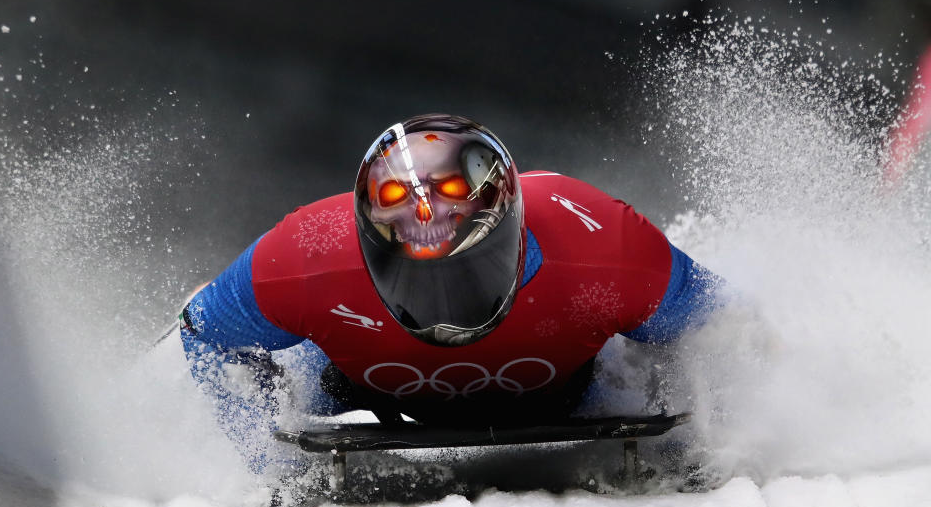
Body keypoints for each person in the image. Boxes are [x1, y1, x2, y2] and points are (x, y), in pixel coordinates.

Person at [180, 114, 723, 474]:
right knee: (282, 369)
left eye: (466, 269)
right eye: (412, 273)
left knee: (651, 347)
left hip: (571, 380)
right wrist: (266, 459)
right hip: (359, 378)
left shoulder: (600, 245)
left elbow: (722, 321)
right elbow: (201, 329)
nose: (444, 313)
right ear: (368, 242)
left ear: (512, 233)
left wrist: (706, 433)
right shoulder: (305, 254)